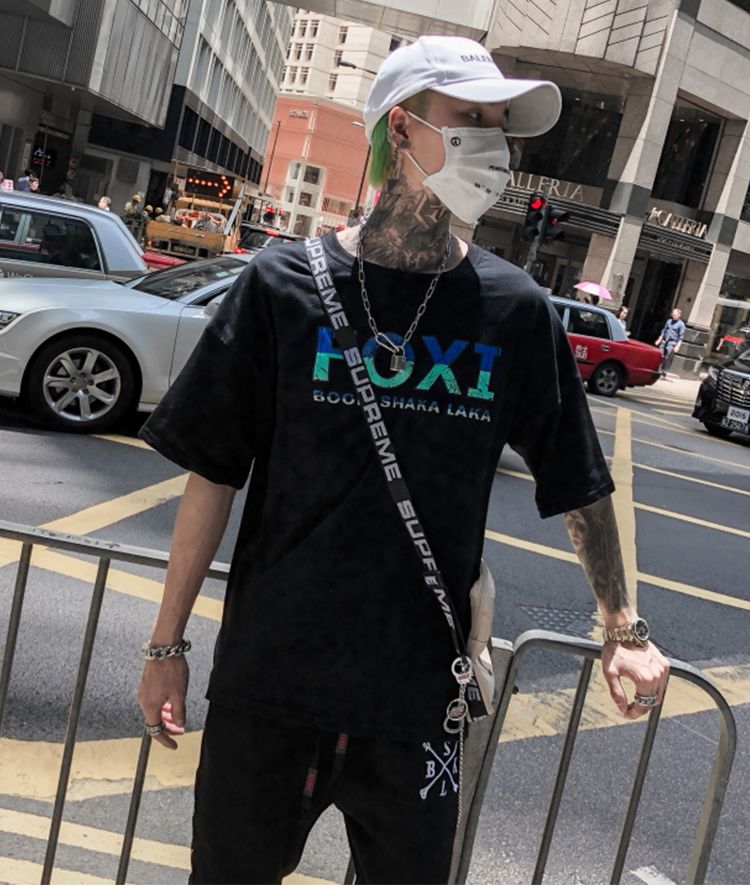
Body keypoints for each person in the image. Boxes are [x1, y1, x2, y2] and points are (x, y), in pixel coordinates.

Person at [137, 35, 668, 885]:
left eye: (501, 125)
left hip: (420, 700)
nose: (494, 144)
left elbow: (579, 482)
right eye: (471, 118)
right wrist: (165, 646)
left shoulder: (514, 311)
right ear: (402, 127)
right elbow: (213, 473)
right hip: (271, 685)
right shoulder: (280, 287)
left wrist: (624, 631)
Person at [655, 306, 686, 377]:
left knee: (667, 357)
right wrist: (659, 340)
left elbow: (681, 337)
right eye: (673, 314)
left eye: (675, 315)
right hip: (664, 341)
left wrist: (677, 346)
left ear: (679, 315)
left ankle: (664, 371)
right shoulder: (669, 321)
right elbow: (663, 331)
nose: (673, 316)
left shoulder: (681, 325)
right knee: (660, 355)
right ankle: (658, 369)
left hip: (672, 342)